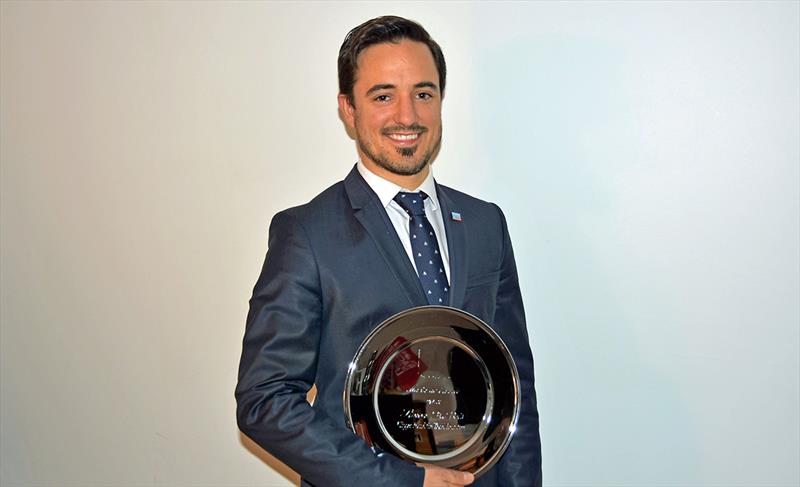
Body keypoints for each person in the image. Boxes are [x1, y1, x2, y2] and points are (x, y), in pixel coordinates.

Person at [236, 15, 542, 487]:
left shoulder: (485, 224)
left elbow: (513, 383)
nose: (408, 116)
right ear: (348, 109)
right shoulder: (306, 233)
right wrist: (401, 481)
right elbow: (265, 399)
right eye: (383, 96)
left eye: (424, 93)